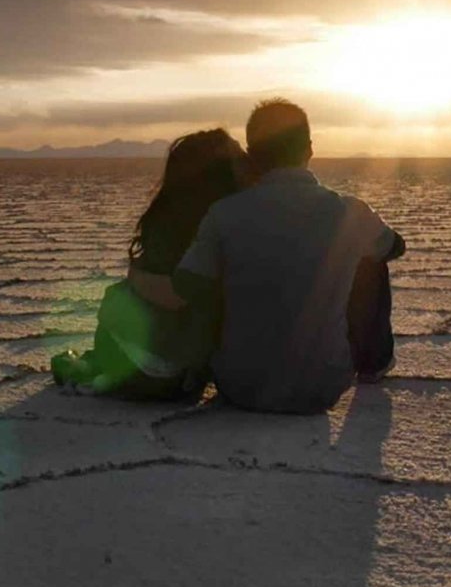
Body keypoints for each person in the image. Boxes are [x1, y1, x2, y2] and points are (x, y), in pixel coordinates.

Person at [136, 99, 404, 413]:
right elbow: (394, 247)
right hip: (322, 388)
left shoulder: (223, 214)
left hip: (239, 387)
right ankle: (374, 363)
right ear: (309, 149)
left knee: (219, 268)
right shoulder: (349, 211)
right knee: (368, 254)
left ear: (252, 156)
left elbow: (187, 285)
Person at [50, 128, 248, 398]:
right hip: (185, 371)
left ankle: (89, 368)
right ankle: (91, 367)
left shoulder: (186, 224)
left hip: (164, 372)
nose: (247, 157)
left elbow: (176, 295)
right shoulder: (227, 221)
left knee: (117, 300)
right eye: (238, 153)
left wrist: (135, 278)